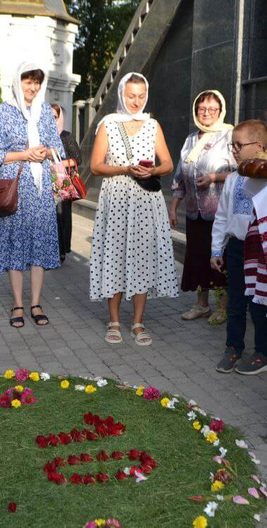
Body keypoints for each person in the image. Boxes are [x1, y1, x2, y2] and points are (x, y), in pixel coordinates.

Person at [90, 72, 178, 346]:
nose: (136, 101)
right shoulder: (108, 124)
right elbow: (95, 166)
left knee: (142, 257)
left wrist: (150, 169)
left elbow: (168, 164)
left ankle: (138, 321)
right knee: (114, 255)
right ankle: (114, 320)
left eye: (141, 96)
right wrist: (125, 169)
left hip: (144, 200)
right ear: (121, 95)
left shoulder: (153, 125)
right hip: (116, 199)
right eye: (131, 96)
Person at [0, 62, 64, 328]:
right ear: (17, 82)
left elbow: (58, 148)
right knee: (16, 244)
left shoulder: (44, 112)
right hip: (15, 188)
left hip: (41, 189)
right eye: (27, 81)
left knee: (40, 244)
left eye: (36, 82)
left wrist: (46, 150)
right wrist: (25, 153)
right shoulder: (2, 111)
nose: (32, 87)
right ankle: (18, 303)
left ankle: (36, 303)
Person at [210, 120, 267, 372]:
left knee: (260, 303)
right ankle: (233, 348)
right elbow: (222, 216)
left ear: (258, 146)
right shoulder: (234, 178)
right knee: (236, 301)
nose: (234, 150)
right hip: (236, 247)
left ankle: (265, 353)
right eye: (232, 145)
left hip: (261, 250)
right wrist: (216, 248)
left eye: (239, 145)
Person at [170, 90, 234, 324]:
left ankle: (223, 307)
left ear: (220, 111)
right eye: (202, 109)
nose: (206, 113)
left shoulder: (228, 135)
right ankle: (202, 305)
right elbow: (180, 174)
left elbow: (239, 171)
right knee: (197, 258)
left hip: (219, 213)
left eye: (212, 109)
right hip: (194, 212)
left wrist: (215, 177)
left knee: (218, 259)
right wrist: (173, 206)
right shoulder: (191, 139)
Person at [52, 102, 82, 263]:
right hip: (46, 182)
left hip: (63, 183)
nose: (52, 120)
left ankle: (62, 250)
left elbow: (78, 159)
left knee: (61, 216)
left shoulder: (66, 136)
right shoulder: (43, 136)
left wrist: (62, 163)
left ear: (60, 117)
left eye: (54, 117)